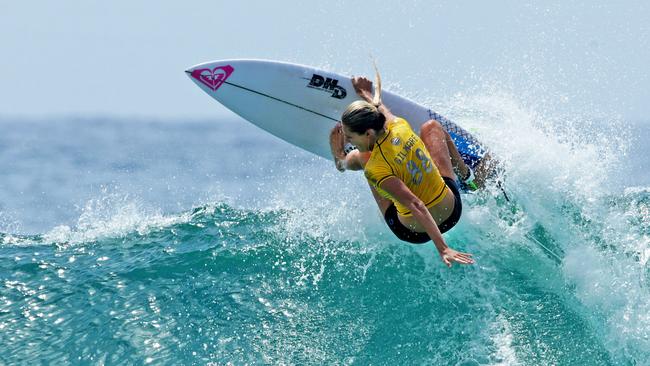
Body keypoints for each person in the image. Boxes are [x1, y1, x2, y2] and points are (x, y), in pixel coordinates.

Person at [329, 71, 475, 267]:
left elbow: (415, 204)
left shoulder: (376, 167)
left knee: (361, 158)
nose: (347, 139)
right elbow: (382, 111)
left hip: (414, 231)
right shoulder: (400, 125)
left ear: (368, 133)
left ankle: (340, 160)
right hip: (452, 209)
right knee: (431, 127)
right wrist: (366, 94)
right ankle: (466, 176)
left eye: (350, 137)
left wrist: (443, 248)